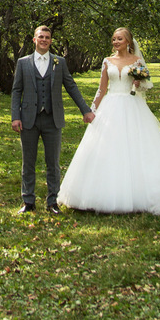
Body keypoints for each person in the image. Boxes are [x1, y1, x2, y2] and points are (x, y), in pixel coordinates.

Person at [57, 27, 160, 215]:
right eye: (114, 39)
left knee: (136, 147)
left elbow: (145, 84)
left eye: (119, 39)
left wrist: (139, 84)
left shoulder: (137, 61)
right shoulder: (107, 61)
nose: (115, 42)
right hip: (111, 105)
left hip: (132, 106)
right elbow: (101, 89)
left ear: (128, 42)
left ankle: (141, 193)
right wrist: (92, 110)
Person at [10, 25, 96, 213]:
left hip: (53, 119)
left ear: (50, 41)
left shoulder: (59, 62)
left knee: (53, 163)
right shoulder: (23, 62)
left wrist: (86, 110)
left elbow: (71, 86)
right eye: (41, 36)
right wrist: (15, 117)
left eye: (47, 37)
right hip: (28, 119)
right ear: (34, 40)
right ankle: (28, 202)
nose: (44, 40)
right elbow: (17, 90)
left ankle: (52, 202)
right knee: (28, 162)